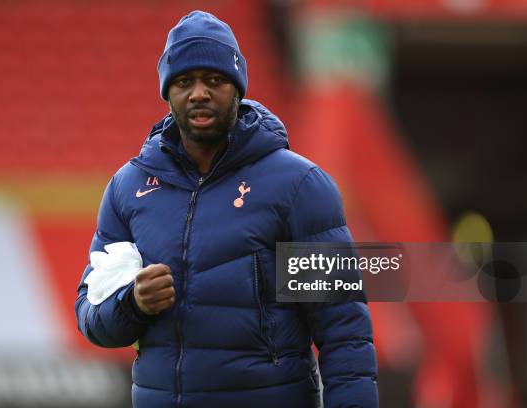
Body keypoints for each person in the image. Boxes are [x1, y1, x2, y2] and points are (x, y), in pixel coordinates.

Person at [75, 10, 378, 408]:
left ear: (238, 88)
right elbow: (91, 315)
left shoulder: (297, 186)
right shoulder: (128, 188)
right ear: (168, 93)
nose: (198, 93)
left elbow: (343, 332)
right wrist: (132, 304)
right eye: (184, 82)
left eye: (214, 80)